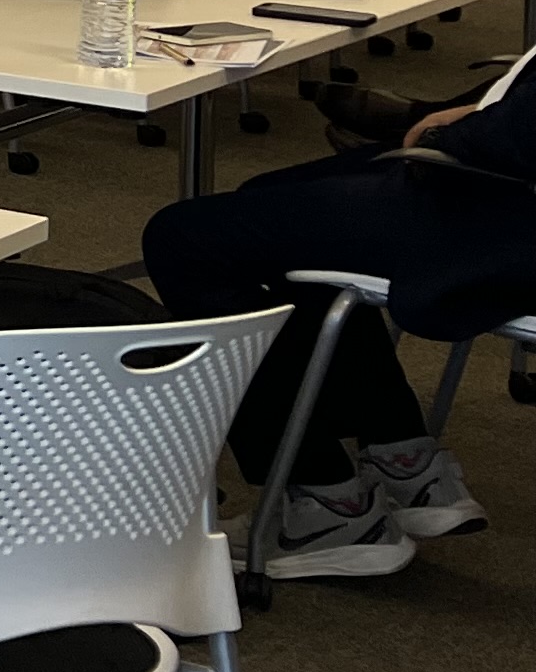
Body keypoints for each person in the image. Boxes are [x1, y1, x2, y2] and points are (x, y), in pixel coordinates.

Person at [141, 62, 530, 577]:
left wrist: (449, 131)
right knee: (268, 195)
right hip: (505, 189)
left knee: (183, 239)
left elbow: (516, 135)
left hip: (503, 217)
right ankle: (402, 455)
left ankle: (328, 503)